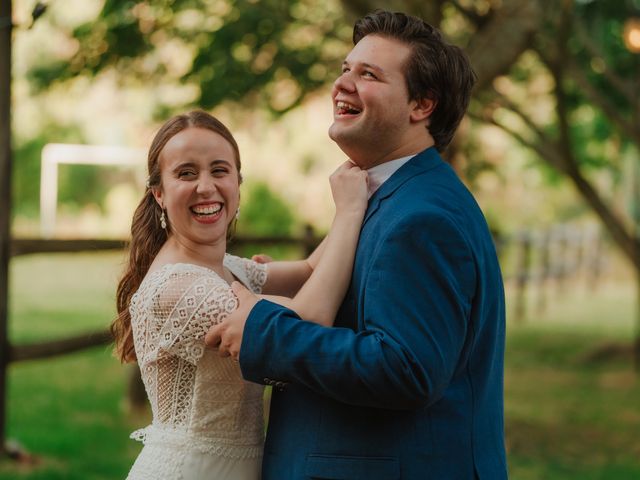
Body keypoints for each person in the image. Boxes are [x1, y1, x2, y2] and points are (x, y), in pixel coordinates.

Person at [206, 10, 508, 479]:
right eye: (346, 69)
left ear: (421, 105)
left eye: (368, 74)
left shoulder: (422, 217)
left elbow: (405, 369)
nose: (343, 84)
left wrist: (264, 329)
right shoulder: (387, 196)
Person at [111, 110, 368, 480]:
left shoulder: (230, 269)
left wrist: (368, 186)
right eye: (186, 173)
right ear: (159, 194)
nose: (206, 186)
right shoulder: (180, 288)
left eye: (219, 170)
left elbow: (310, 271)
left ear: (237, 182)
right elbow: (309, 321)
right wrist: (350, 209)